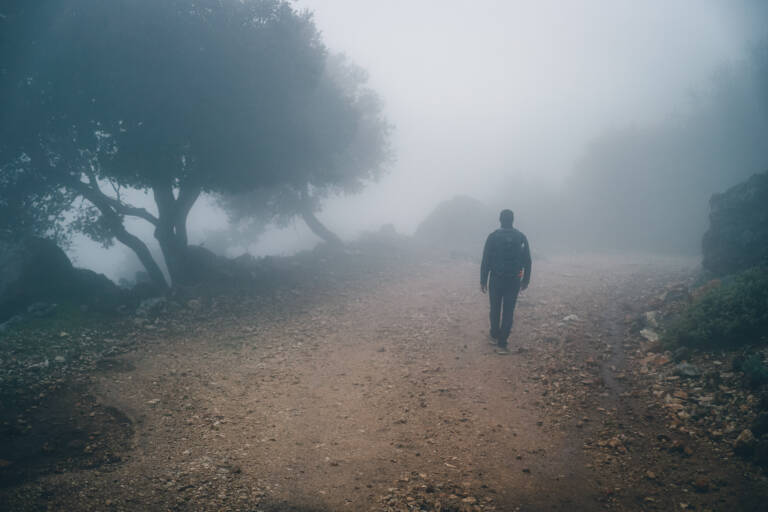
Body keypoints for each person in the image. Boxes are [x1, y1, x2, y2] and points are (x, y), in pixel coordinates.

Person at [480, 209, 531, 354]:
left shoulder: (493, 237)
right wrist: (525, 280)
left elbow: (486, 260)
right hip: (514, 280)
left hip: (496, 279)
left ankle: (494, 335)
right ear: (513, 220)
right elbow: (527, 260)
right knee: (509, 311)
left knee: (495, 308)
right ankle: (502, 343)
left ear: (500, 220)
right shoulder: (521, 237)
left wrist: (483, 280)